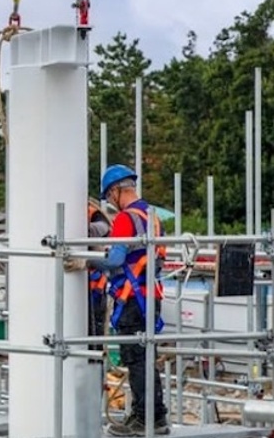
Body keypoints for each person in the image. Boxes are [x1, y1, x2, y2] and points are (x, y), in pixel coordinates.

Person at [68, 164, 169, 436]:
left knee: (136, 358)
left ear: (115, 191)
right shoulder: (152, 216)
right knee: (146, 355)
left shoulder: (126, 219)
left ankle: (145, 419)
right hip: (150, 297)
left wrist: (85, 261)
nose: (109, 201)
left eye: (109, 195)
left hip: (132, 299)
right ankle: (156, 417)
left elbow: (115, 259)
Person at [86, 199, 112, 350]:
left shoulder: (94, 215)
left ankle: (94, 368)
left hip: (94, 287)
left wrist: (83, 230)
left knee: (93, 334)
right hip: (85, 286)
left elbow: (104, 227)